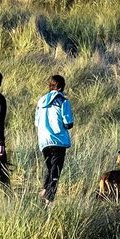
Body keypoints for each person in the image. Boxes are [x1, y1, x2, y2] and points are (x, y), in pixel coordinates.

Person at [35, 74, 74, 204]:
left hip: (43, 140)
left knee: (50, 167)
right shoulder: (63, 101)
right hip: (58, 139)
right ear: (62, 87)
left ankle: (44, 191)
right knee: (56, 171)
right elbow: (68, 123)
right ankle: (49, 200)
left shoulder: (41, 101)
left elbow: (36, 122)